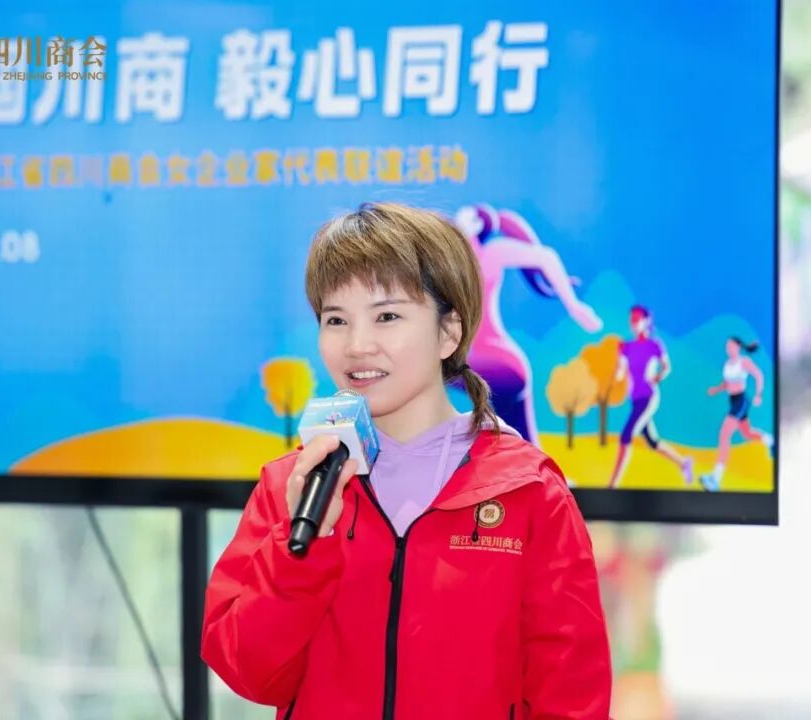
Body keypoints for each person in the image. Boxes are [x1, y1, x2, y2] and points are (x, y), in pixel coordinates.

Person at [202, 202, 611, 720]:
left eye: (387, 316)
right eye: (336, 319)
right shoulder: (296, 485)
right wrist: (301, 545)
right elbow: (247, 670)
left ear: (449, 333)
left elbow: (572, 698)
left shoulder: (527, 490)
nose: (357, 345)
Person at [454, 204, 603, 446]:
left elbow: (546, 257)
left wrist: (573, 305)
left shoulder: (490, 253)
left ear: (479, 225)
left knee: (522, 447)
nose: (458, 218)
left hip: (495, 362)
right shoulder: (451, 261)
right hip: (479, 364)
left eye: (467, 217)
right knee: (523, 446)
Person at [608, 305, 693, 489]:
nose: (633, 323)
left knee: (626, 436)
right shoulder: (626, 347)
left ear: (646, 321)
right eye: (631, 319)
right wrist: (617, 363)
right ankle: (684, 463)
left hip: (649, 398)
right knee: (653, 442)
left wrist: (657, 377)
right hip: (635, 399)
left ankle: (612, 487)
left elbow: (667, 367)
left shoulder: (654, 345)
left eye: (637, 319)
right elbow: (620, 374)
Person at [699, 337, 774, 491]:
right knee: (747, 433)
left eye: (731, 345)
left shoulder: (743, 362)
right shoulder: (727, 364)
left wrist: (758, 395)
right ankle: (770, 440)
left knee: (724, 435)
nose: (728, 348)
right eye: (727, 346)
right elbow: (727, 383)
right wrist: (716, 389)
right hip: (733, 401)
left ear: (738, 347)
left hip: (741, 401)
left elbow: (759, 375)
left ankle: (715, 479)